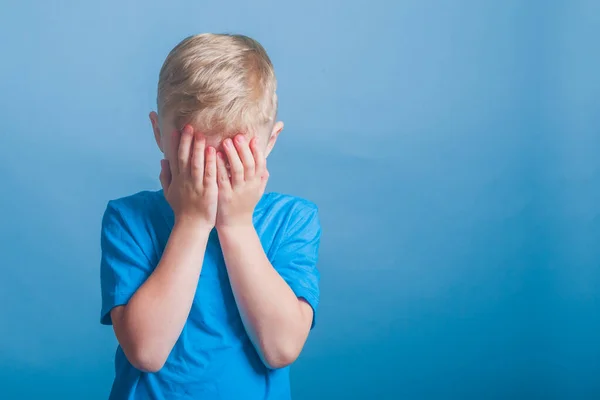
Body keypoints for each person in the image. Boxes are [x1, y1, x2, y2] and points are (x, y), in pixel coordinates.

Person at [99, 33, 321, 399]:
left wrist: (236, 225)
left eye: (232, 157)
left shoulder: (292, 220)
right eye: (194, 155)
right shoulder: (128, 219)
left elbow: (281, 348)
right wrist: (192, 222)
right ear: (159, 134)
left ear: (270, 142)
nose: (210, 175)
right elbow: (146, 351)